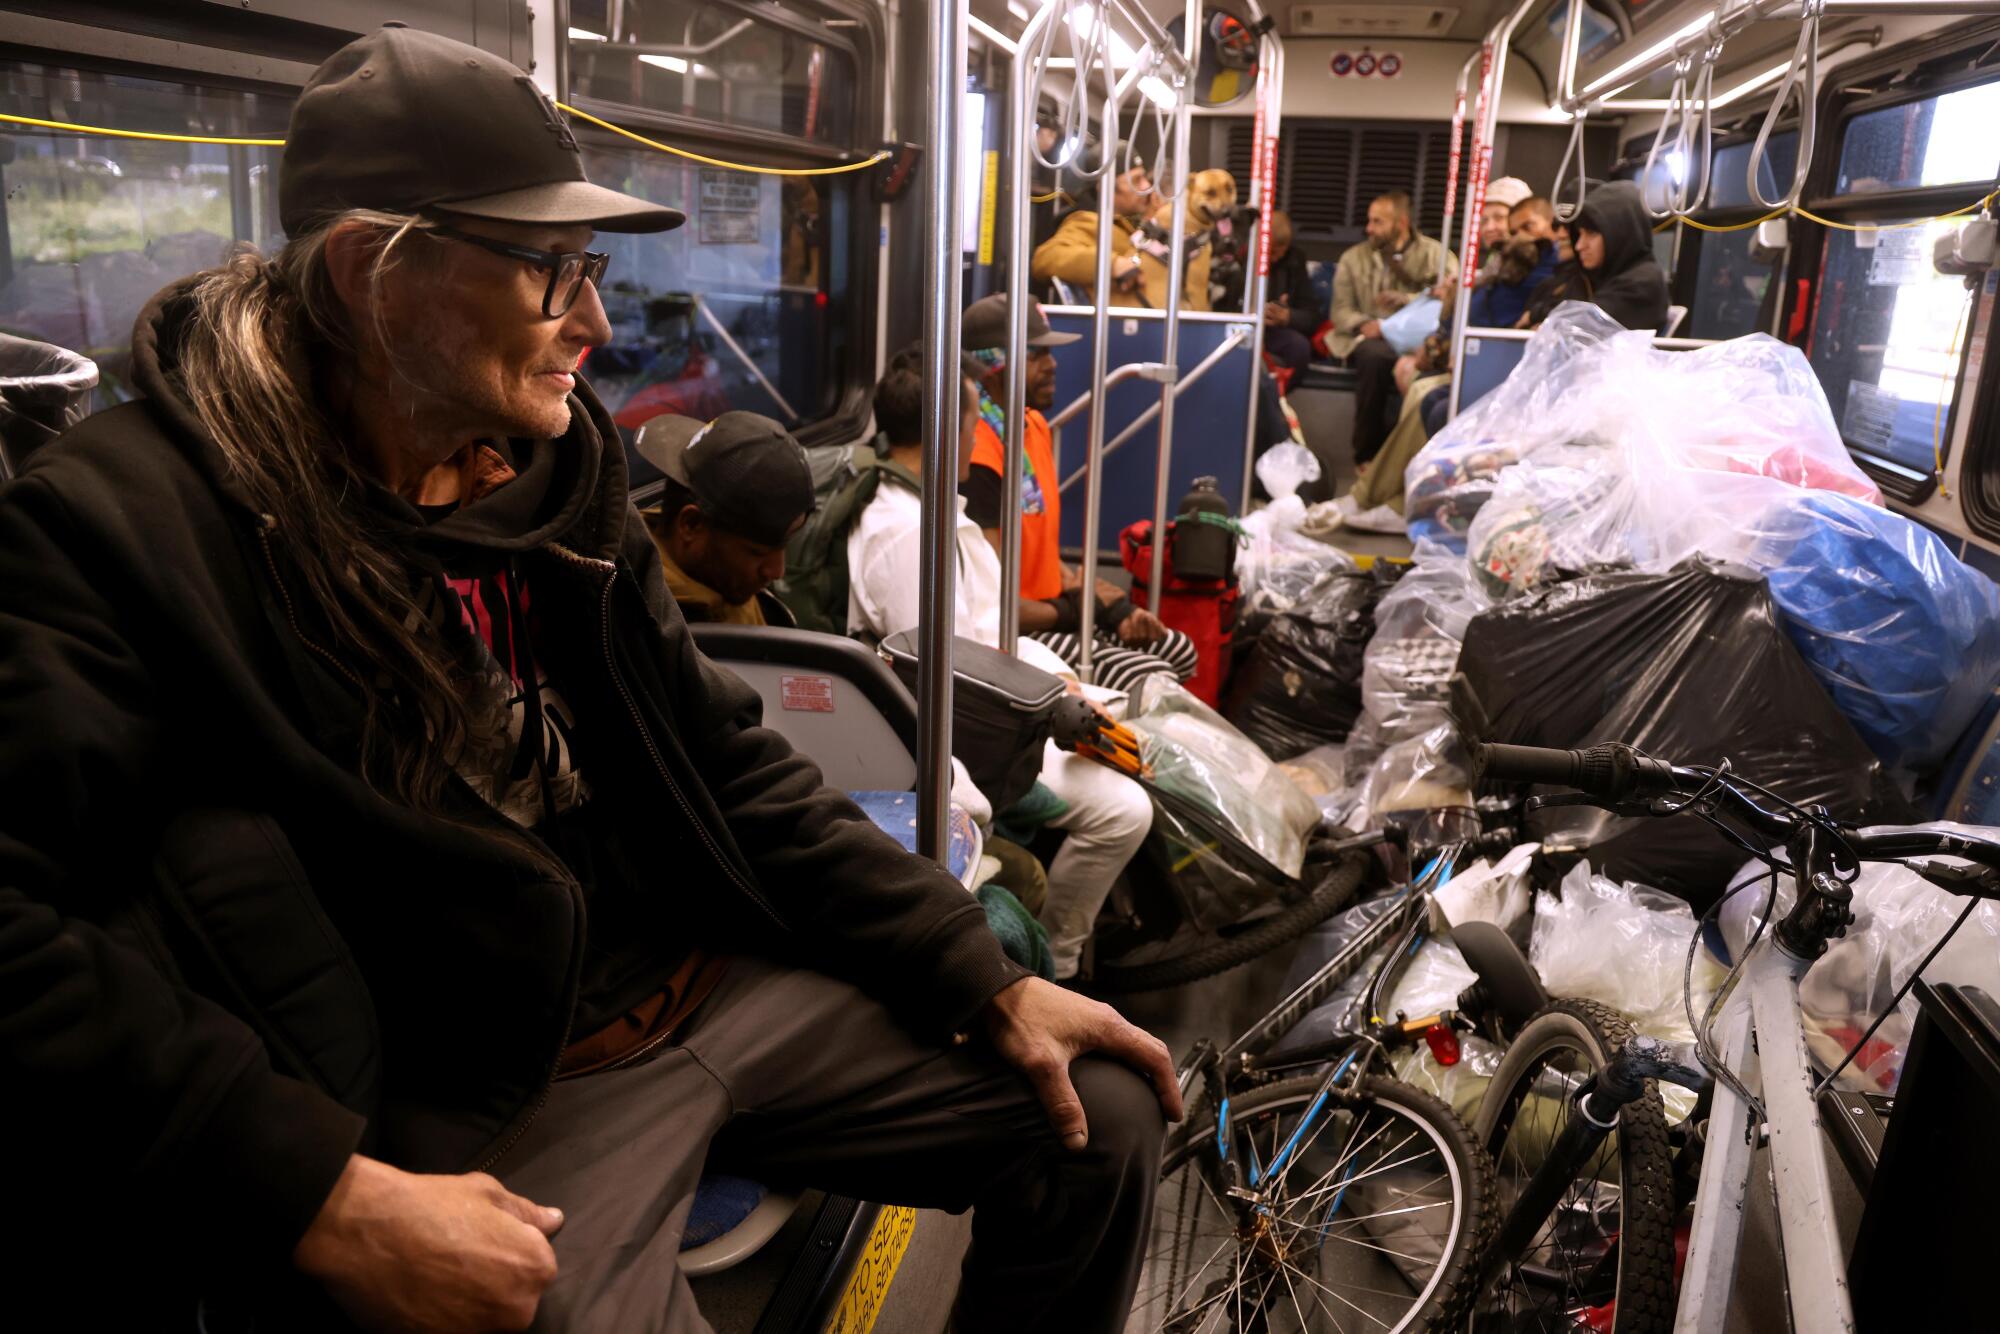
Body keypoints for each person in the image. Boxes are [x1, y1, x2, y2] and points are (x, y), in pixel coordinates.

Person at [0, 26, 1179, 1332]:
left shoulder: (551, 480)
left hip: (709, 972)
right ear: (368, 275)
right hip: (507, 1082)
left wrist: (979, 969)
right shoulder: (130, 531)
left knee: (1100, 1120)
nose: (598, 321)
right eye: (548, 268)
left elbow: (720, 755)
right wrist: (316, 1188)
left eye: (595, 268)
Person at [851, 350, 1154, 982]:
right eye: (972, 421)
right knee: (1127, 810)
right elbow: (942, 672)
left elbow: (980, 635)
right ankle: (1066, 969)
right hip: (971, 732)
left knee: (1144, 722)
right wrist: (1050, 704)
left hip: (1001, 698)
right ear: (949, 430)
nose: (977, 435)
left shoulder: (929, 510)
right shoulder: (911, 535)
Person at [957, 293, 1201, 693]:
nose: (1052, 365)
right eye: (1036, 354)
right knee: (1148, 680)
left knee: (1177, 650)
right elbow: (994, 605)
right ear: (995, 366)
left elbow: (1043, 563)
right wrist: (1081, 611)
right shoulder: (978, 457)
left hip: (1052, 608)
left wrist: (1113, 609)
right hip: (1016, 634)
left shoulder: (1032, 426)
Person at [636, 410, 813, 626]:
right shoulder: (641, 626)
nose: (777, 571)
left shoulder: (723, 583)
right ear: (690, 525)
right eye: (756, 552)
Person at [1327, 190, 1458, 467]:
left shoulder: (1437, 255)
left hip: (1424, 337)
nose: (1369, 228)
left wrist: (1410, 300)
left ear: (1400, 223)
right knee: (1374, 358)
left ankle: (1413, 460)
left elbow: (1453, 299)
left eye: (1377, 222)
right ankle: (1367, 456)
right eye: (1369, 221)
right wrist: (1366, 324)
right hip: (1370, 336)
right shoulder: (1353, 259)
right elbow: (1340, 312)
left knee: (1425, 369)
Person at [1031, 163, 1191, 308]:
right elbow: (1045, 257)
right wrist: (1112, 264)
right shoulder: (1086, 221)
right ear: (1105, 185)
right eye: (1136, 180)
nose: (1147, 186)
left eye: (1143, 177)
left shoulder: (1124, 224)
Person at [1523, 181, 1670, 332]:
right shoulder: (1598, 277)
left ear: (1618, 233)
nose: (1579, 245)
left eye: (1591, 233)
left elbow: (1571, 332)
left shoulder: (1642, 284)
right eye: (1579, 234)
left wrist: (1543, 325)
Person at [1260, 209, 1323, 382]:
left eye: (1281, 252)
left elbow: (1312, 316)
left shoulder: (1294, 261)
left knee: (1300, 348)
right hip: (1246, 327)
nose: (1275, 258)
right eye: (1271, 252)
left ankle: (1278, 398)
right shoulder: (1243, 258)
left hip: (1276, 330)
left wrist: (1288, 316)